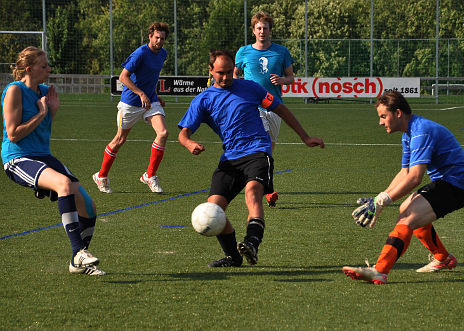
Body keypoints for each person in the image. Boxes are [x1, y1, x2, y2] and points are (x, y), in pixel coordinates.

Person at [178, 49, 324, 267]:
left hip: (258, 151)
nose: (226, 77)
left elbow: (281, 109)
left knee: (252, 193)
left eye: (229, 72)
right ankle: (234, 257)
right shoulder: (203, 100)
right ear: (210, 71)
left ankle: (252, 243)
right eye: (220, 73)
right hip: (230, 158)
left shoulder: (250, 87)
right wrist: (189, 143)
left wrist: (305, 137)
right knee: (213, 208)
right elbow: (183, 133)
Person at [343, 90, 464, 284]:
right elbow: (404, 173)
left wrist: (383, 201)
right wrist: (379, 198)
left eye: (383, 116)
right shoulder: (409, 132)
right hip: (449, 182)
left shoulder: (421, 132)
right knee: (406, 209)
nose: (380, 122)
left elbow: (415, 178)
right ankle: (442, 258)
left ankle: (379, 270)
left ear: (398, 113)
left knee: (408, 218)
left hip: (458, 185)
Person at [1, 46, 105, 275]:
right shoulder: (14, 91)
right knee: (64, 185)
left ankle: (77, 262)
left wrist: (52, 111)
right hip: (18, 157)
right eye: (43, 66)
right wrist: (41, 113)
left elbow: (43, 129)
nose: (49, 69)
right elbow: (13, 134)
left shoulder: (47, 91)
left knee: (89, 207)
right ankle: (78, 251)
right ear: (29, 69)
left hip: (44, 156)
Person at [93, 22, 169, 193]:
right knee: (120, 140)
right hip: (130, 103)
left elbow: (151, 77)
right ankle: (101, 175)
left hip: (150, 101)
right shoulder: (140, 53)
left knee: (163, 133)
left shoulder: (162, 54)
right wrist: (140, 93)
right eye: (156, 37)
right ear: (150, 36)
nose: (159, 41)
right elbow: (123, 77)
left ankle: (150, 175)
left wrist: (154, 96)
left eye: (162, 38)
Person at [233, 11, 295, 207]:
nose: (262, 31)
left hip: (275, 106)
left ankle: (258, 180)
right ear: (253, 31)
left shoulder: (281, 52)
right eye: (258, 28)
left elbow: (291, 78)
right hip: (253, 106)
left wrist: (282, 80)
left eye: (265, 28)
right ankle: (268, 191)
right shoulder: (243, 52)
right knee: (264, 143)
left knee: (269, 150)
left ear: (270, 30)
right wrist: (239, 87)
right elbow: (235, 75)